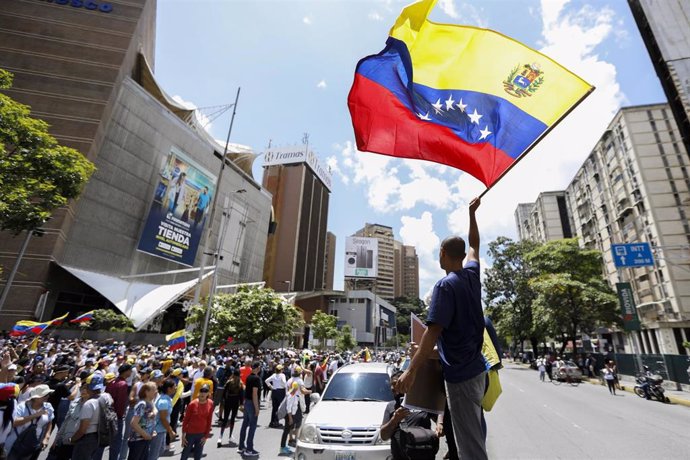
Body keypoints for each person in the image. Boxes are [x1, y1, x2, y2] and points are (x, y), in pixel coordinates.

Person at [396, 197, 487, 460]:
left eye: (439, 252)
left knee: (470, 447)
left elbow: (431, 332)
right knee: (473, 437)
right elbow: (475, 245)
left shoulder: (445, 286)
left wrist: (411, 371)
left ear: (444, 254)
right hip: (477, 372)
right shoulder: (472, 275)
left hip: (461, 377)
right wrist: (472, 214)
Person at [380, 371, 434, 460]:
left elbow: (440, 413)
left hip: (423, 454)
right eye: (392, 385)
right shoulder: (391, 406)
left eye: (396, 384)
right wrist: (394, 419)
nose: (393, 388)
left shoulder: (422, 402)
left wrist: (440, 423)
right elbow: (384, 436)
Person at [5, 384, 54, 460]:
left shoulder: (48, 406)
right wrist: (35, 415)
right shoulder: (22, 406)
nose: (47, 396)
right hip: (15, 443)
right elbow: (14, 423)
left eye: (48, 394)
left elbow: (50, 422)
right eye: (45, 395)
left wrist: (46, 437)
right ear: (35, 397)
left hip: (33, 444)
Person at [70, 375, 112, 460]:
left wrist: (73, 439)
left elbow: (83, 429)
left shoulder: (89, 404)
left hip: (86, 438)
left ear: (88, 387)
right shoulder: (106, 398)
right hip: (98, 436)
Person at [180, 384, 213, 460]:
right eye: (201, 391)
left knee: (198, 456)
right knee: (185, 455)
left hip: (201, 435)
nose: (203, 393)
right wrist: (183, 434)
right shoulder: (192, 404)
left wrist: (206, 436)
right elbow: (185, 420)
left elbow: (209, 420)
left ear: (208, 393)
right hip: (190, 434)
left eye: (205, 391)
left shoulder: (210, 403)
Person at [107, 364, 132, 460]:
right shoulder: (123, 384)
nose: (131, 373)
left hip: (109, 414)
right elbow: (121, 403)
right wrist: (120, 416)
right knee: (117, 443)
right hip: (117, 416)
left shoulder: (112, 382)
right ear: (126, 371)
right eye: (130, 370)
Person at [127, 382, 157, 460]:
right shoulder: (142, 404)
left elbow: (154, 409)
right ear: (147, 392)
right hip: (138, 441)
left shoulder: (149, 403)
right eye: (154, 390)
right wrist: (145, 435)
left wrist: (151, 431)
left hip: (144, 440)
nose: (156, 392)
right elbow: (133, 423)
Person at [237, 362, 261, 457]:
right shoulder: (256, 379)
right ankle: (249, 449)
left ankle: (241, 446)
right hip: (251, 403)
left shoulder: (248, 377)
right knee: (252, 426)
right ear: (258, 368)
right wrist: (257, 408)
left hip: (247, 402)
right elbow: (254, 394)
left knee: (245, 424)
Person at [148, 379, 176, 460]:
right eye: (174, 387)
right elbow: (163, 418)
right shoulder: (164, 401)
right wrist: (170, 431)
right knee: (153, 455)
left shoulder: (165, 399)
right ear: (169, 389)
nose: (176, 388)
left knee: (160, 450)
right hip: (158, 430)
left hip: (161, 430)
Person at [218, 369, 242, 447]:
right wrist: (241, 404)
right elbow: (241, 396)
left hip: (228, 401)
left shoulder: (229, 382)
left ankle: (220, 437)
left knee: (225, 419)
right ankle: (230, 435)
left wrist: (223, 401)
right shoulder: (241, 384)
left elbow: (224, 393)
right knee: (232, 419)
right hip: (236, 402)